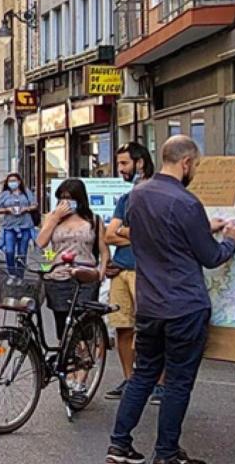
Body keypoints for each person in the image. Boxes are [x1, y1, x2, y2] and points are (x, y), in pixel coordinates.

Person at [106, 136, 235, 464]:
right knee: (178, 382)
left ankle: (119, 445)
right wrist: (232, 241)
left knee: (143, 374)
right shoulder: (187, 202)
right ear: (186, 163)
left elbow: (154, 237)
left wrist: (202, 228)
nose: (194, 170)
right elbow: (210, 257)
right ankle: (166, 453)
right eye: (195, 165)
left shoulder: (137, 195)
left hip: (150, 304)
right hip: (184, 305)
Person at [103, 142, 156, 401]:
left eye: (124, 163)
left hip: (144, 272)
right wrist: (133, 235)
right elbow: (109, 235)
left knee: (150, 329)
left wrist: (125, 233)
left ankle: (159, 383)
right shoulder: (125, 198)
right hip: (121, 271)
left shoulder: (157, 194)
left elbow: (157, 237)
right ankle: (129, 380)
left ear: (140, 163)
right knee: (122, 327)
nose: (120, 169)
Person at [36, 179, 108, 343]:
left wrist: (100, 274)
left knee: (83, 326)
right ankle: (66, 364)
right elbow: (40, 242)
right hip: (58, 276)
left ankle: (82, 364)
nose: (66, 202)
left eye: (70, 198)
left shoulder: (93, 220)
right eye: (62, 198)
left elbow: (104, 251)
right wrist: (54, 219)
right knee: (63, 327)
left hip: (86, 275)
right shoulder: (51, 218)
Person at [0, 173, 38, 273]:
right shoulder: (5, 194)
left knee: (22, 253)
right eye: (10, 181)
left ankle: (20, 275)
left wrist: (26, 209)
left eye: (14, 181)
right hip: (10, 226)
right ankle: (11, 273)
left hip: (25, 225)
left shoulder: (26, 192)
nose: (12, 183)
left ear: (19, 182)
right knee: (9, 251)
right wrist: (7, 210)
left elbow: (34, 205)